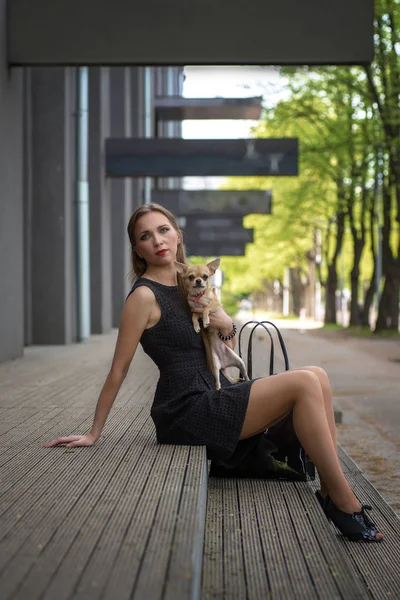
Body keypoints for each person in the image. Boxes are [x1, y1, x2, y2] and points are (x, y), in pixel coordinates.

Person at [45, 203, 383, 542]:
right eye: (145, 236)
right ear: (137, 249)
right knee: (305, 382)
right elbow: (119, 368)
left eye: (163, 230)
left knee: (317, 374)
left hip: (213, 392)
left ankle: (330, 490)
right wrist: (93, 432)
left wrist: (226, 323)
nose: (158, 240)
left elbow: (222, 342)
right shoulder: (144, 296)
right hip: (184, 409)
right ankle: (344, 502)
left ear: (177, 235)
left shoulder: (192, 282)